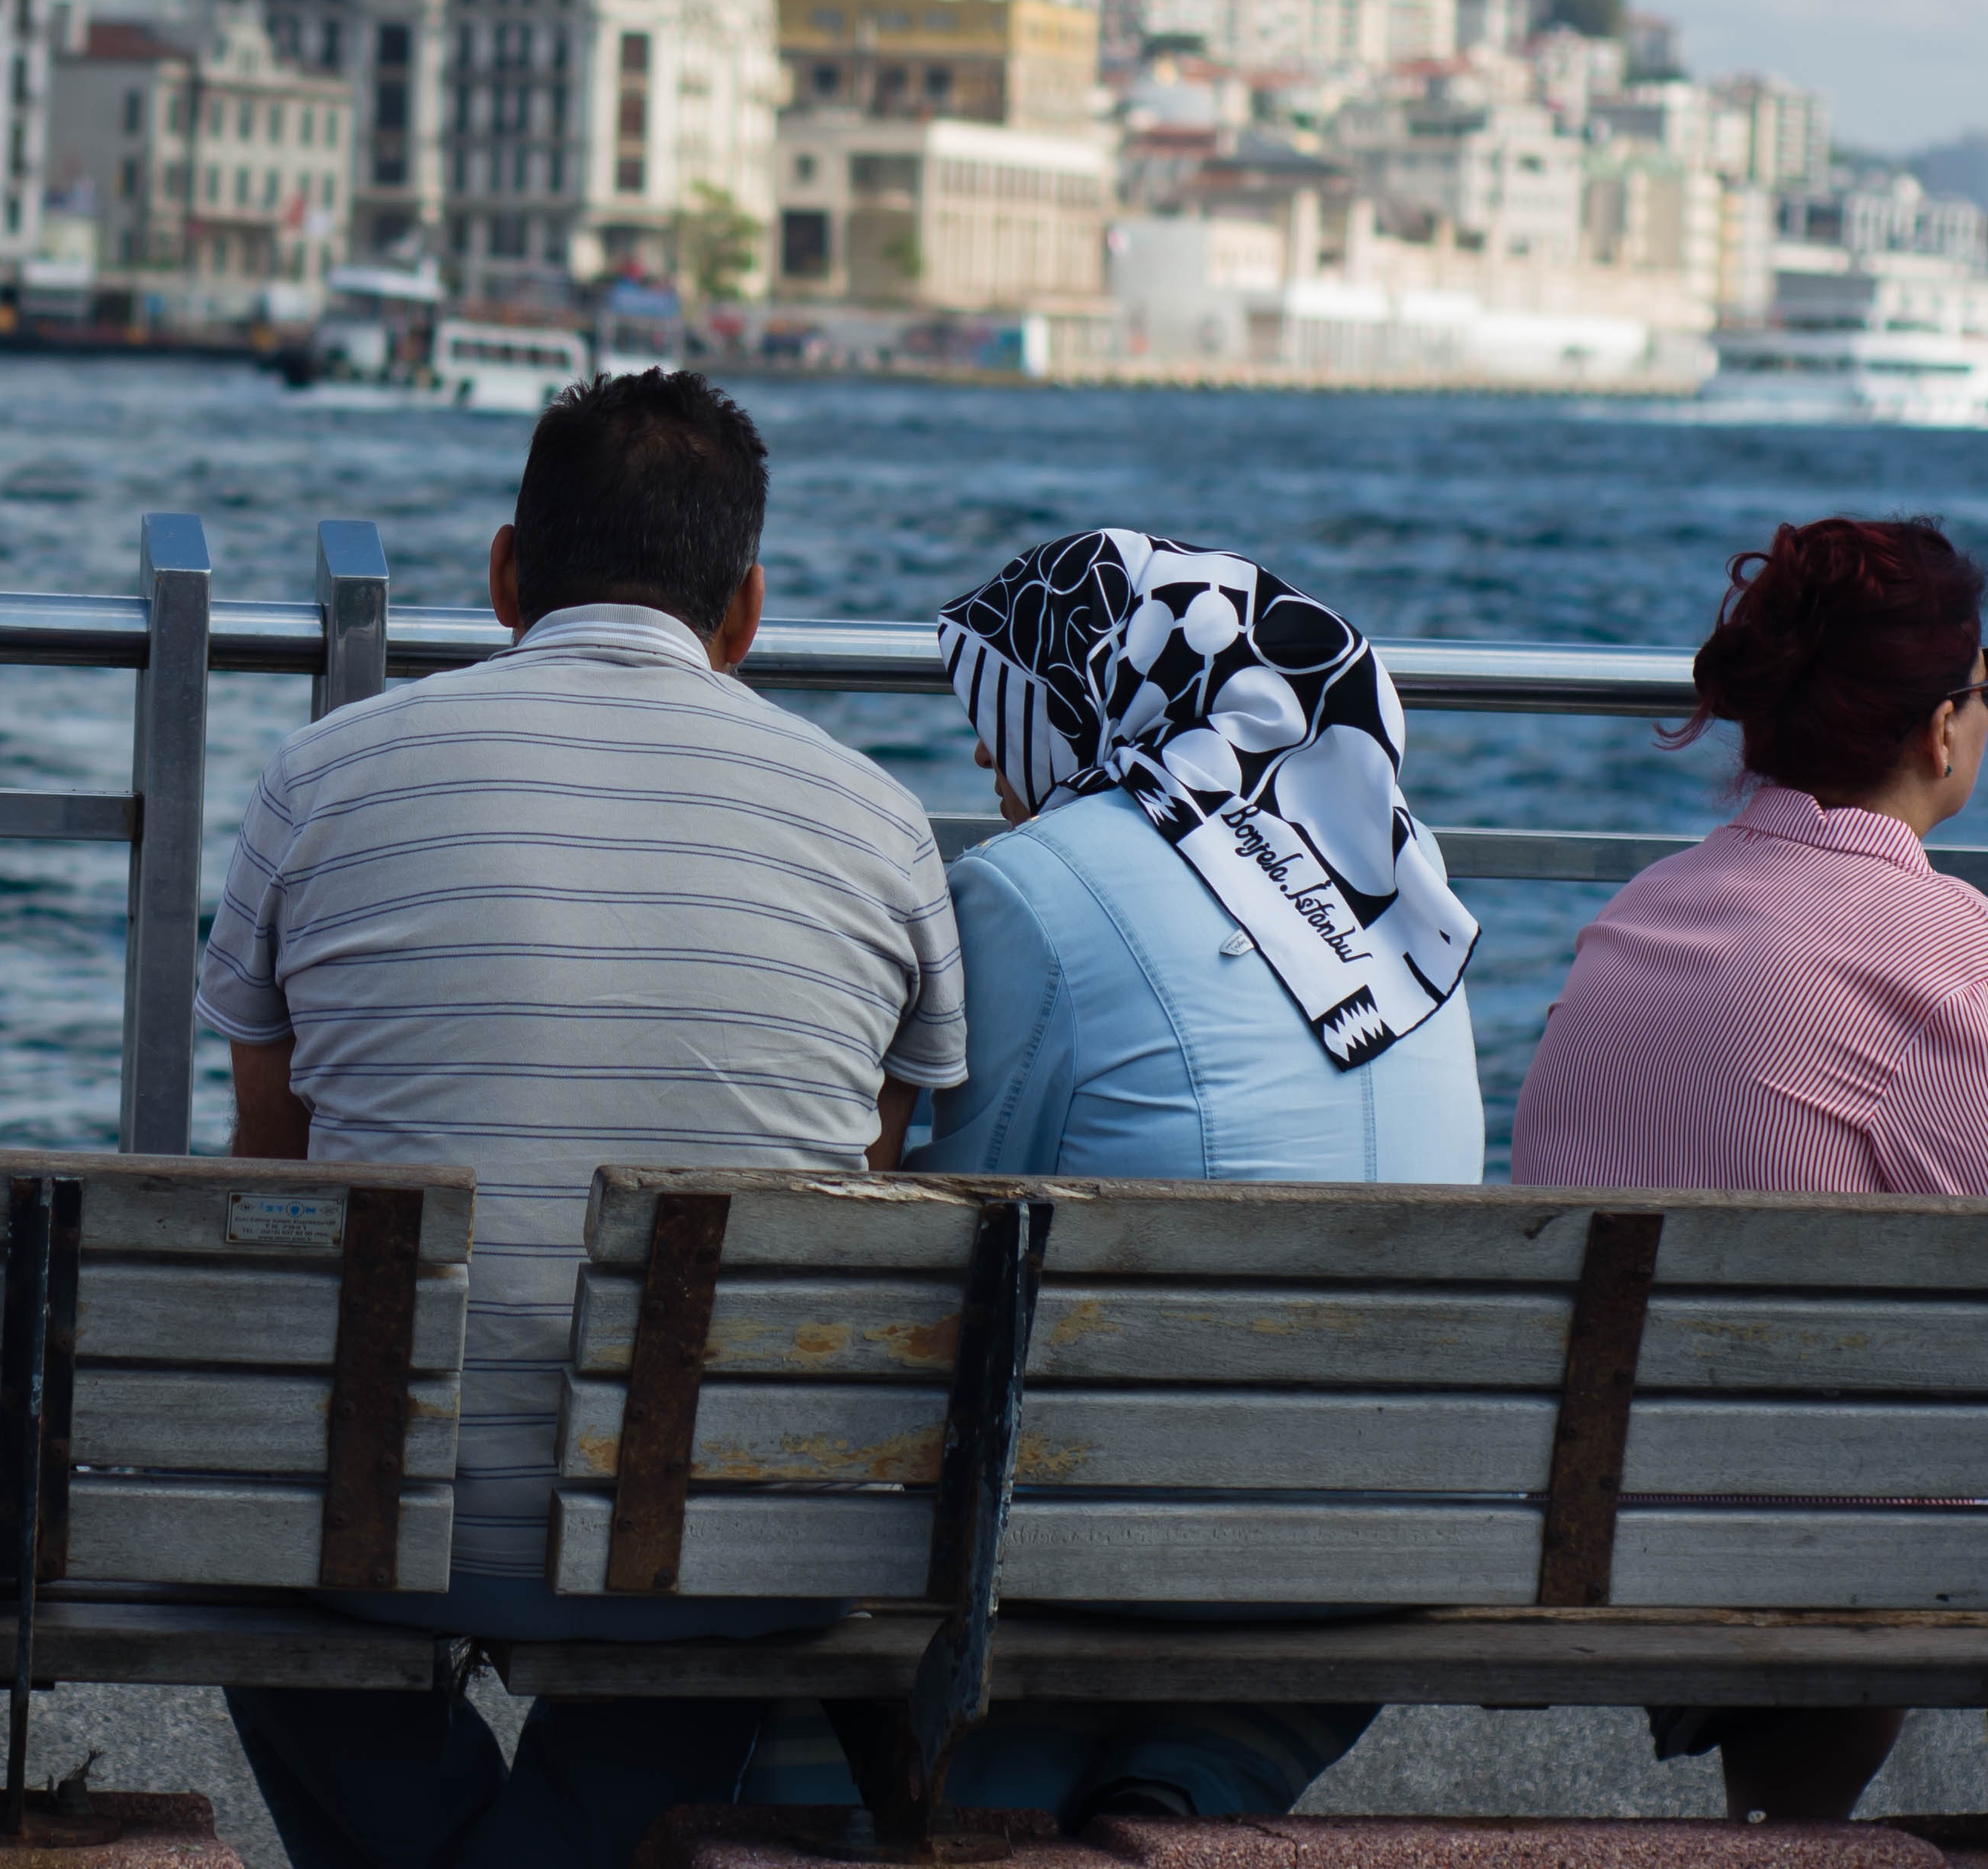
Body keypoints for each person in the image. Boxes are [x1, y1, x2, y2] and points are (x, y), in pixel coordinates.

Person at [196, 369, 969, 1869]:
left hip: (376, 1528)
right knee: (709, 1529)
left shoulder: (318, 779)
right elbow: (858, 1187)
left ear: (502, 574)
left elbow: (271, 1168)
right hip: (720, 1542)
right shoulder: (877, 822)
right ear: (740, 609)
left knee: (238, 1550)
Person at [744, 529, 1487, 1824]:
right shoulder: (1393, 894)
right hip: (1391, 1524)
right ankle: (1178, 1796)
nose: (983, 755)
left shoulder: (1031, 884)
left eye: (1001, 710)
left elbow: (937, 1247)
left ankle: (1019, 1814)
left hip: (1117, 1537)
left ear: (1096, 693)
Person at [1511, 515, 1988, 1824]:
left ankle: (1786, 1834)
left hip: (1596, 1504)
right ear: (1941, 728)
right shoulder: (1949, 951)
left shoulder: (1635, 912)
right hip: (1809, 1538)